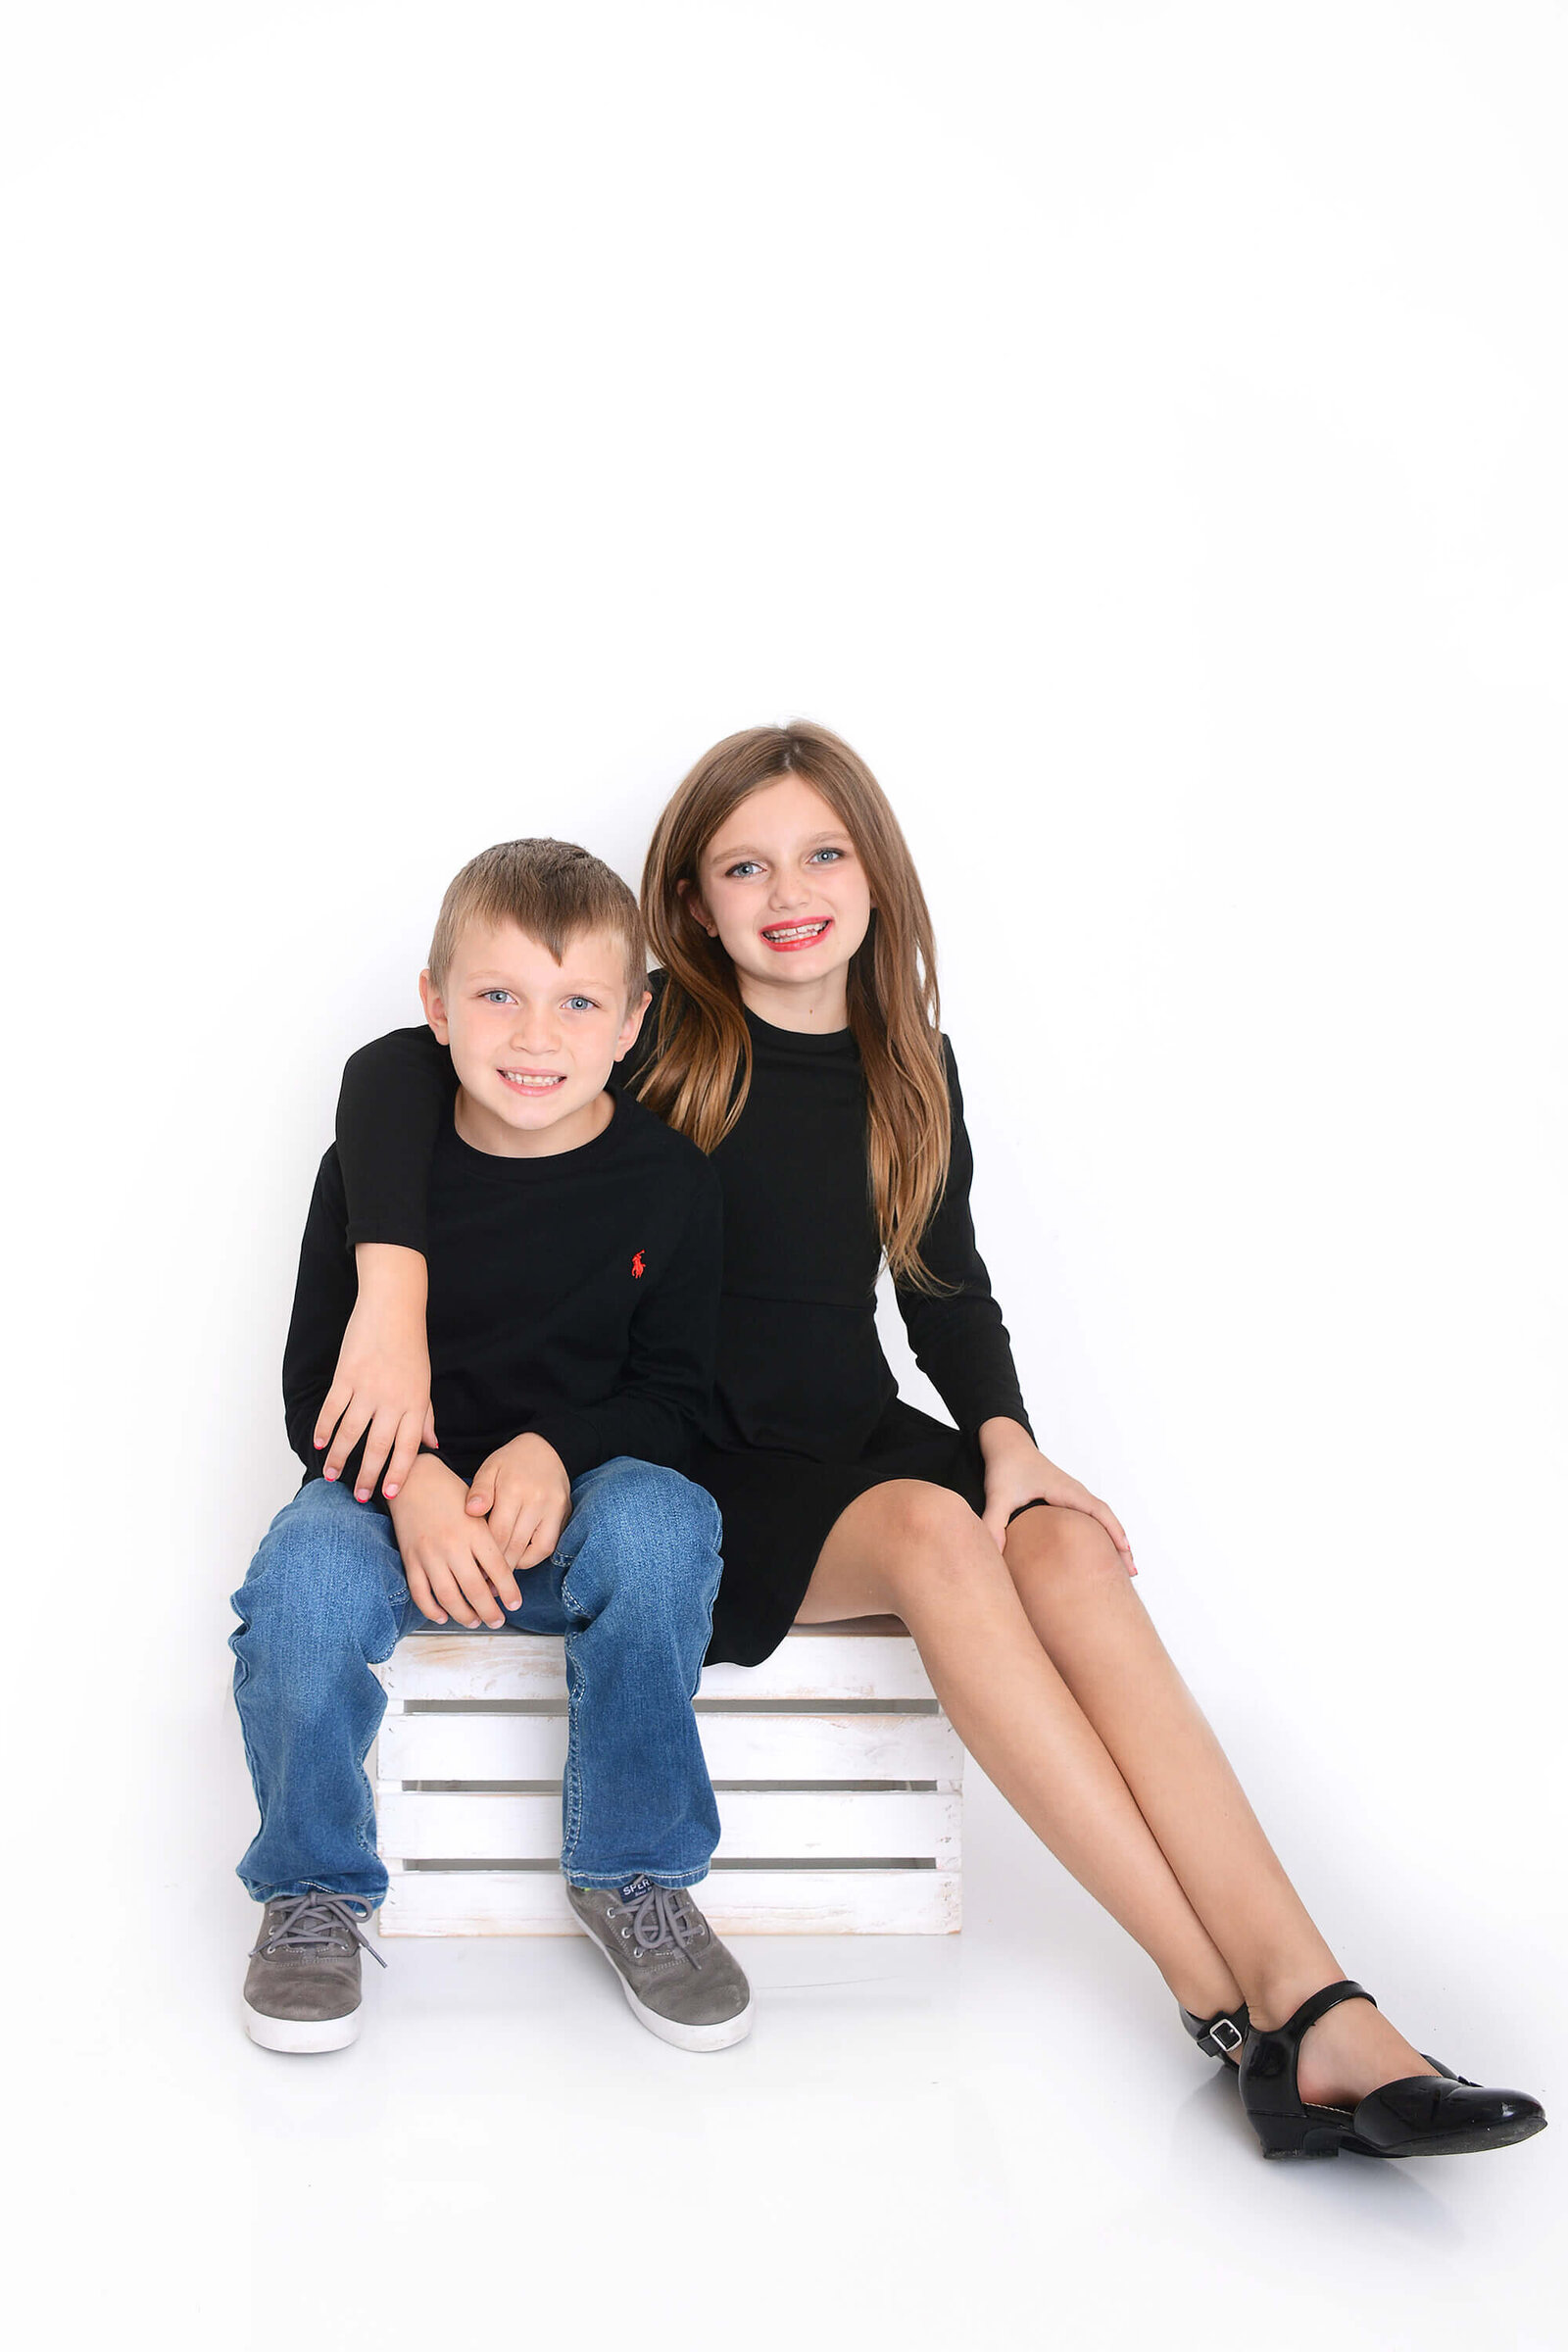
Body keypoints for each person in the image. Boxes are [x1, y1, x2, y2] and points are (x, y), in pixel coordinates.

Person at [320, 725, 1544, 2162]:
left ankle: (1317, 1998)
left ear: (877, 875)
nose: (790, 887)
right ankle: (1224, 2006)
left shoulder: (915, 1063)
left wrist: (1011, 1443)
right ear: (691, 908)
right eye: (743, 863)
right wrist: (392, 1292)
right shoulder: (661, 1045)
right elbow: (402, 1075)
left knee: (1068, 1553)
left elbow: (945, 1281)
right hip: (701, 1457)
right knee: (934, 1535)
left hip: (853, 1427)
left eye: (823, 851)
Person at [230, 836, 753, 2056]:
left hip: (559, 1527)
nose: (535, 1036)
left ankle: (635, 1875)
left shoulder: (669, 1185)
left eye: (578, 1002)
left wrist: (555, 1452)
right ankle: (311, 1891)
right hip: (384, 1511)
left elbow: (676, 1399)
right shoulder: (376, 1166)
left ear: (631, 1022)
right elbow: (318, 1387)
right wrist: (407, 1481)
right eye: (498, 996)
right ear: (435, 1007)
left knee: (665, 1520)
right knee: (302, 1578)